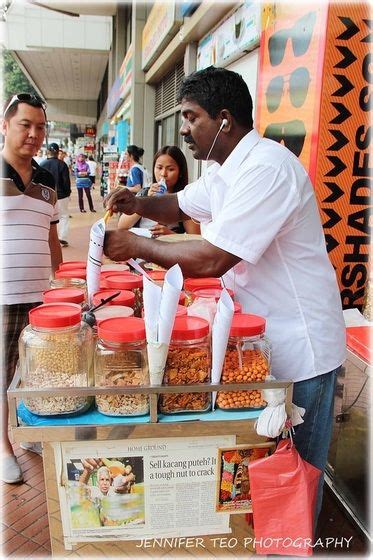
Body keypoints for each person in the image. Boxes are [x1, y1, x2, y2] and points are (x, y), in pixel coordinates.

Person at [103, 66, 346, 524]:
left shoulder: (268, 169)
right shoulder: (223, 170)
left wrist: (137, 246)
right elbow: (179, 204)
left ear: (226, 119)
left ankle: (291, 548)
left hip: (302, 345)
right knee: (267, 463)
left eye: (192, 117)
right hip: (262, 336)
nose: (184, 129)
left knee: (295, 473)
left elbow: (215, 258)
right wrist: (138, 203)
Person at [0, 93, 62, 483]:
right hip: (3, 296)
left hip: (42, 295)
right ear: (5, 126)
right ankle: (4, 447)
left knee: (36, 370)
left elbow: (52, 238)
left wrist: (61, 285)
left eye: (40, 127)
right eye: (26, 125)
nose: (34, 134)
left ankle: (29, 434)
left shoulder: (47, 178)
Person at [118, 145, 200, 237]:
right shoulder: (145, 193)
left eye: (170, 169)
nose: (163, 174)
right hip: (143, 247)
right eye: (159, 168)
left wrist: (171, 235)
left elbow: (195, 238)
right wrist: (145, 201)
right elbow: (122, 225)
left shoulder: (185, 198)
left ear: (180, 172)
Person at [40, 142, 71, 247]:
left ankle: (46, 238)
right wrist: (67, 193)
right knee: (63, 216)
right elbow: (66, 181)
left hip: (46, 195)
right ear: (58, 152)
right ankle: (62, 237)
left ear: (48, 152)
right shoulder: (62, 165)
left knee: (47, 217)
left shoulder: (42, 164)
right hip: (61, 195)